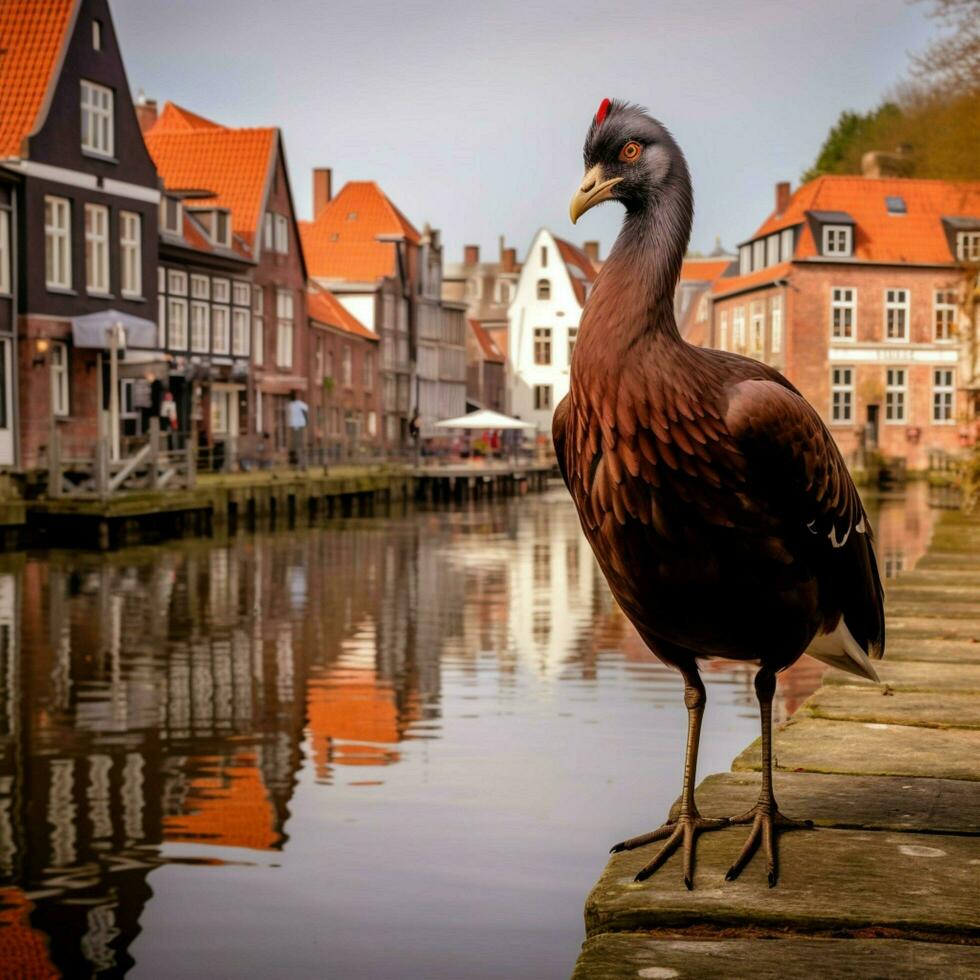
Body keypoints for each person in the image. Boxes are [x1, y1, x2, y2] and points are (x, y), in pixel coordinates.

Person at [288, 390, 309, 470]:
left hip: (299, 427)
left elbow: (305, 414)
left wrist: (306, 423)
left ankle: (302, 464)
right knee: (297, 447)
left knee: (300, 447)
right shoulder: (291, 405)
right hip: (295, 427)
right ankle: (299, 464)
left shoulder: (300, 405)